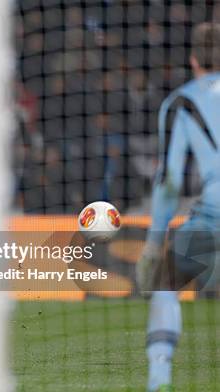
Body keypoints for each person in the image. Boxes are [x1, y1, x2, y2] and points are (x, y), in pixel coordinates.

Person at [136, 23, 220, 392]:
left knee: (165, 284)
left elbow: (168, 182)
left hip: (211, 219)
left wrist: (154, 244)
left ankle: (159, 380)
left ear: (193, 59)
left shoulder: (181, 102)